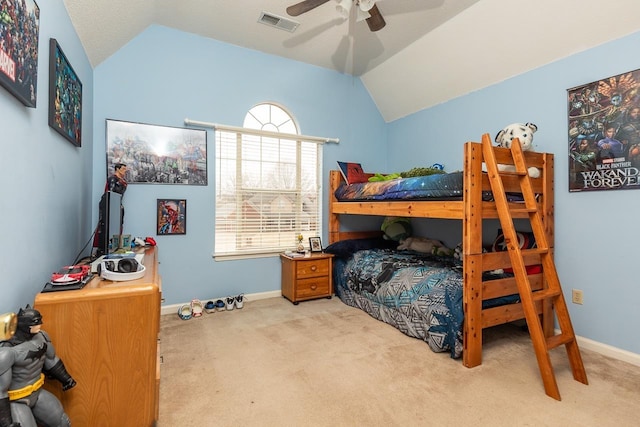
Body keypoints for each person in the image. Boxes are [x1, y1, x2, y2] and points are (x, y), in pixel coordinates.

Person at [0, 306, 76, 427]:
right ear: (25, 326)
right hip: (17, 400)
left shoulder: (42, 337)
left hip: (37, 391)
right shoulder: (7, 352)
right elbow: (1, 390)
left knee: (62, 421)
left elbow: (51, 359)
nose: (40, 324)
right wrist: (6, 422)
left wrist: (65, 378)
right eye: (36, 322)